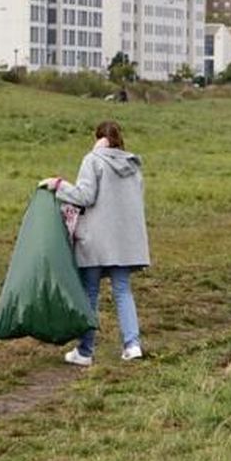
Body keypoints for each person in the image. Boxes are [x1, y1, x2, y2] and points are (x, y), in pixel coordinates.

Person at [40, 120, 149, 366]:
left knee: (90, 292)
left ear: (98, 137)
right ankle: (132, 345)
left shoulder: (93, 160)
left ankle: (86, 351)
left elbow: (84, 196)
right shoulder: (132, 166)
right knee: (123, 291)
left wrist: (59, 185)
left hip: (95, 239)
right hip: (124, 240)